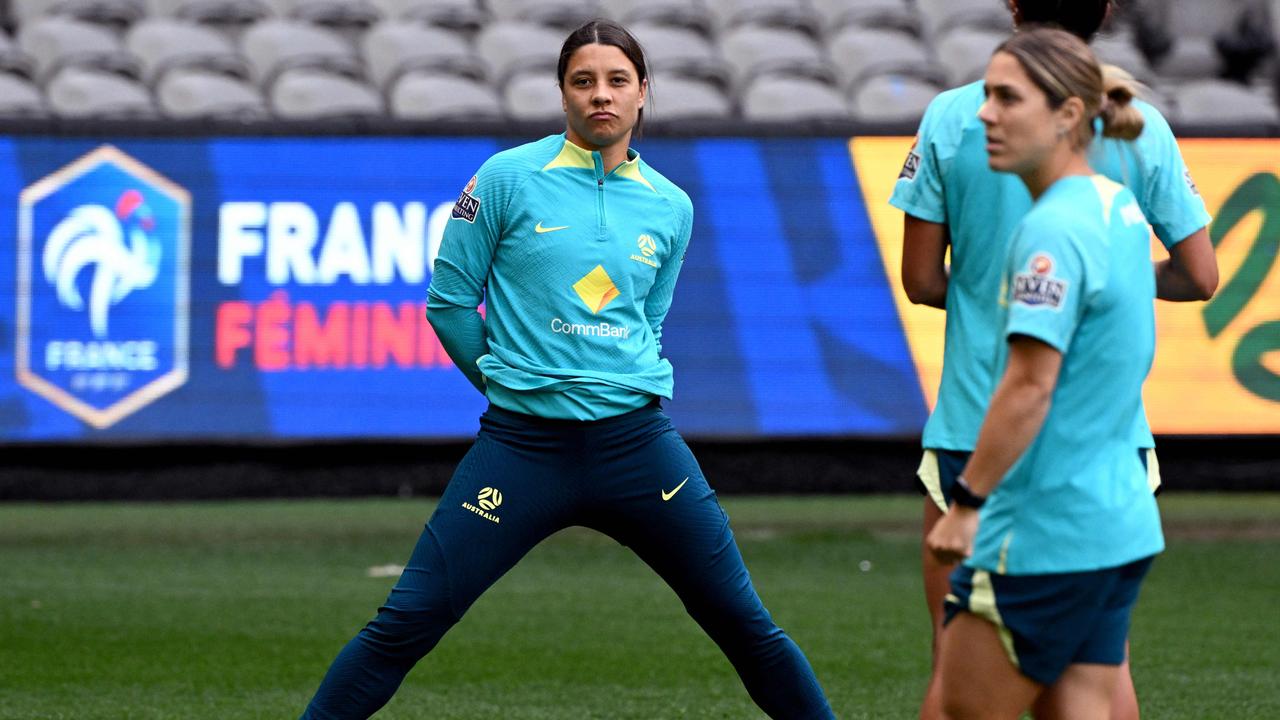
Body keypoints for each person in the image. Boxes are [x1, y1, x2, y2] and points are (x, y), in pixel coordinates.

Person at [297, 19, 836, 720]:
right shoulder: (504, 179)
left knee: (746, 626)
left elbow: (649, 321)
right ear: (562, 94)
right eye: (583, 81)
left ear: (644, 93)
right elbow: (451, 304)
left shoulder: (672, 206)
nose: (600, 96)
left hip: (638, 448)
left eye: (617, 81)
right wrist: (505, 386)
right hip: (522, 450)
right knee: (407, 621)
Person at [889, 1, 1217, 718]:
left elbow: (1024, 378)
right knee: (1089, 694)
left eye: (1006, 98)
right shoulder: (1114, 200)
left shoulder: (1050, 228)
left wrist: (971, 500)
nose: (984, 114)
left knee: (955, 700)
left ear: (1066, 114)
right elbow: (1199, 275)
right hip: (1116, 477)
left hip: (1017, 476)